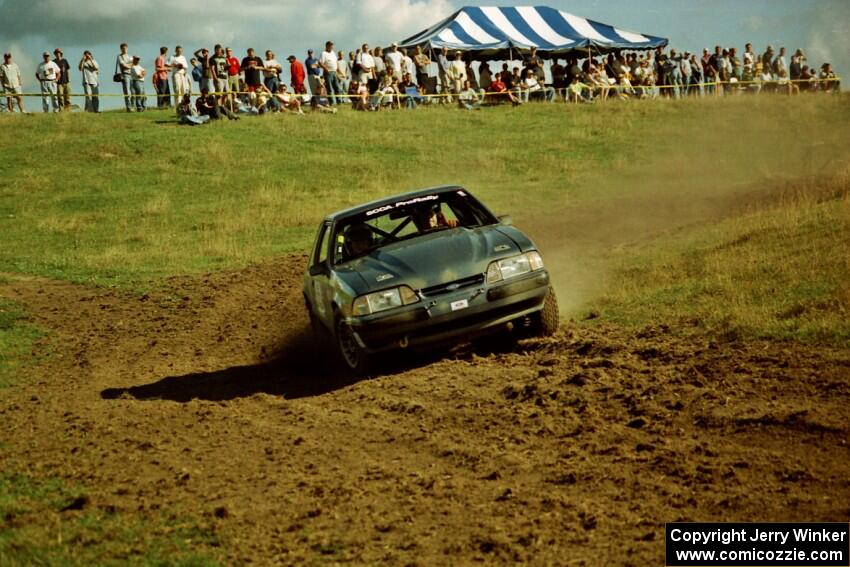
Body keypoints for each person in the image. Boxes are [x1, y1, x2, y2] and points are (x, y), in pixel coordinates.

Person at [319, 41, 341, 105]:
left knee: (337, 87)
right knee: (330, 88)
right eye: (330, 45)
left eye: (332, 45)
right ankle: (332, 102)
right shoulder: (323, 53)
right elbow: (320, 62)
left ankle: (339, 101)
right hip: (328, 73)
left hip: (334, 72)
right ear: (327, 46)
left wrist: (338, 70)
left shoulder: (333, 53)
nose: (332, 47)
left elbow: (336, 61)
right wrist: (326, 69)